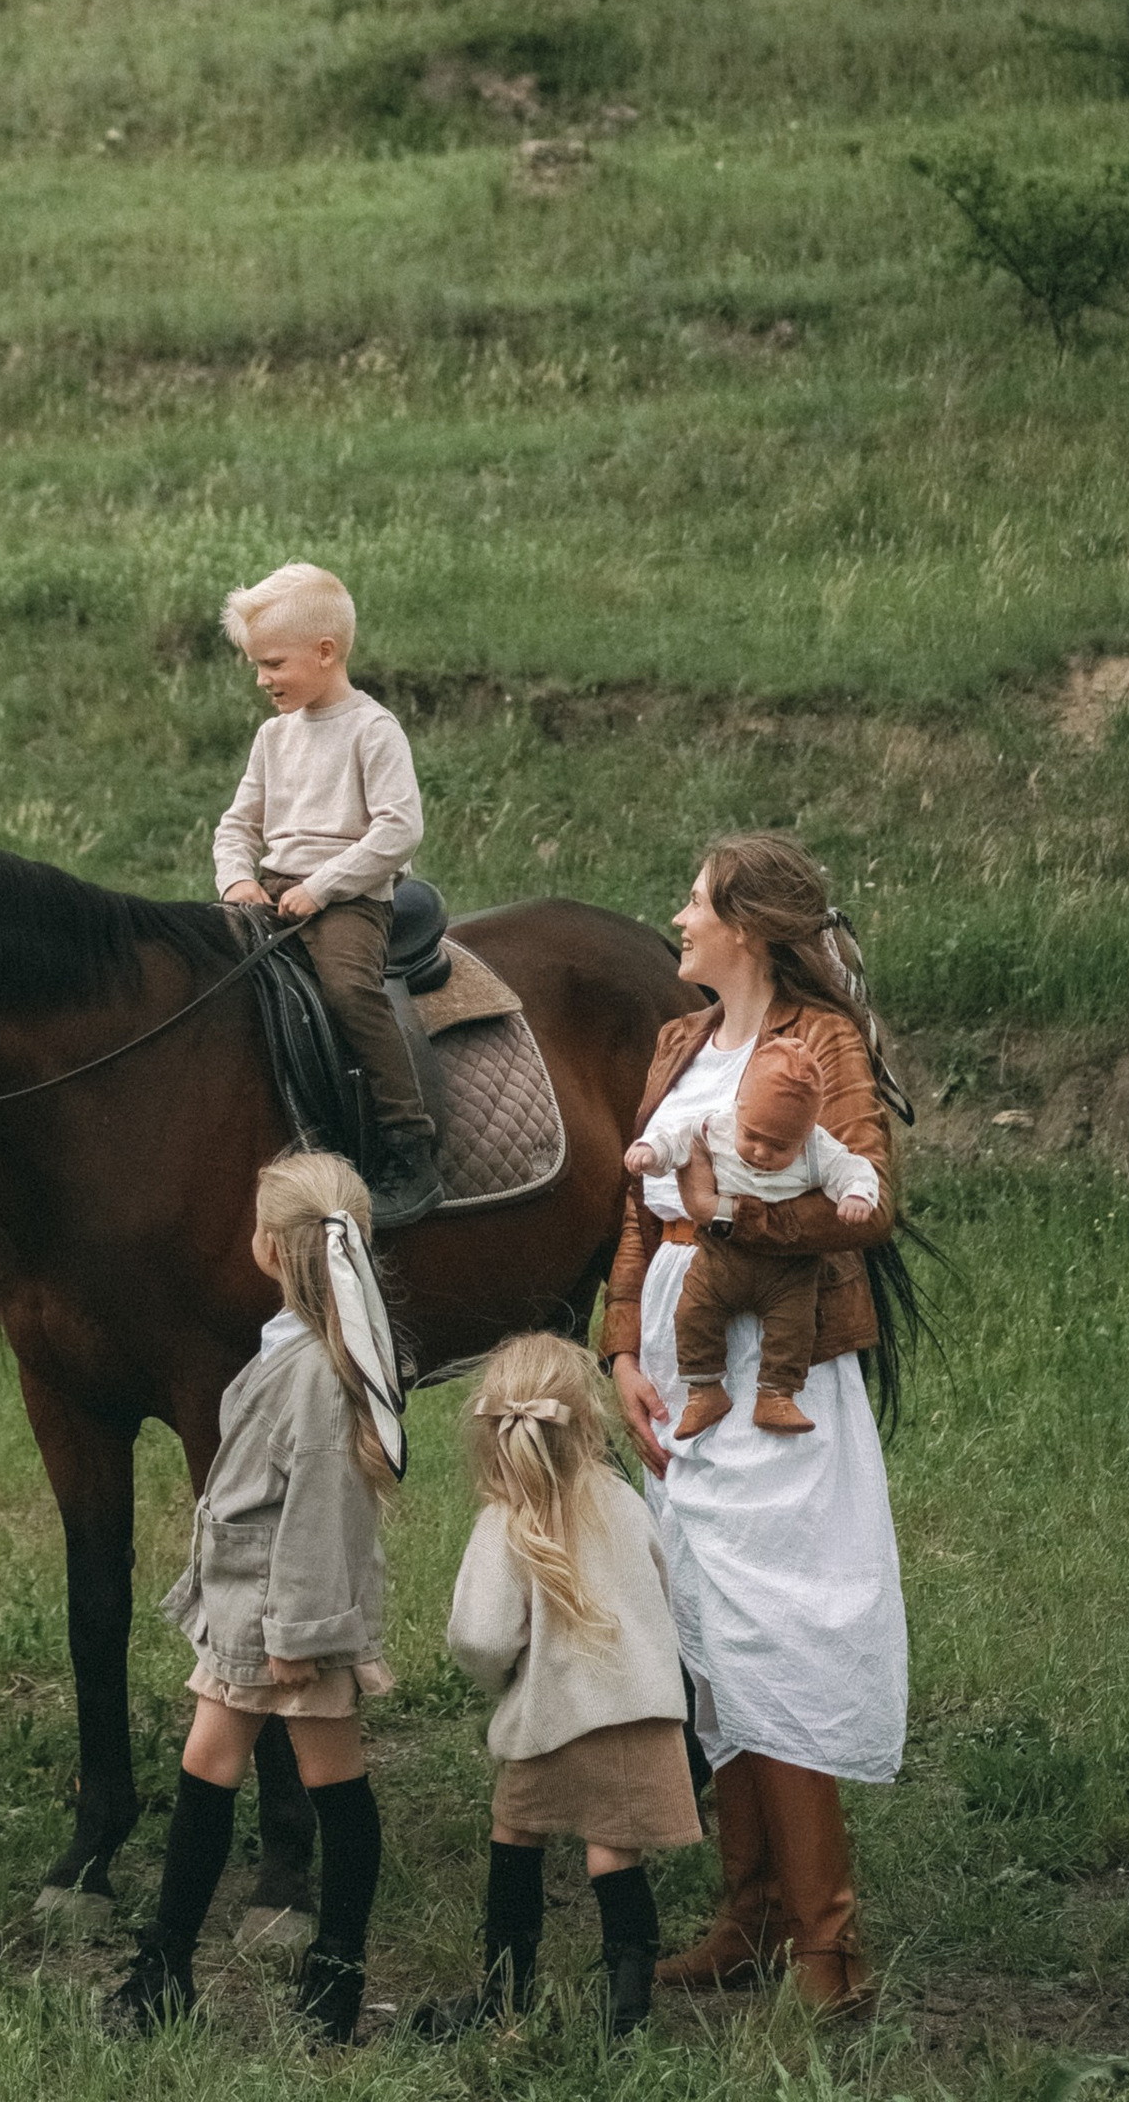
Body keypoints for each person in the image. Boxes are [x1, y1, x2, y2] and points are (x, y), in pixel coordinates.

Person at [606, 833, 912, 2016]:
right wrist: (620, 1349)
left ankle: (829, 1950)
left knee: (776, 1628)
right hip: (679, 1368)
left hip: (777, 1369)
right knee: (707, 1631)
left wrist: (737, 1223)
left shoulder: (819, 1042)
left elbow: (867, 1203)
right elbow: (635, 1216)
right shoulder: (677, 1042)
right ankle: (752, 1918)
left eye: (694, 902)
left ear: (744, 926)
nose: (678, 918)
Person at [107, 1150, 407, 2049]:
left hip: (281, 1615)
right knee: (233, 1766)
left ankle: (321, 1975)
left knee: (321, 1779)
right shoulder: (301, 1345)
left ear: (272, 1246)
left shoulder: (315, 1369)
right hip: (252, 1602)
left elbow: (319, 1503)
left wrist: (297, 1635)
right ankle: (177, 1967)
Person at [418, 1331, 700, 2040]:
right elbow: (665, 1591)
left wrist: (503, 1681)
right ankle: (626, 2014)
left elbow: (480, 1637)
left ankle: (505, 1993)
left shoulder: (505, 1523)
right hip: (640, 1712)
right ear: (587, 1420)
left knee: (516, 1831)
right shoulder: (622, 1502)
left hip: (549, 1716)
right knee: (613, 1849)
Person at [214, 564, 440, 1227]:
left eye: (273, 664)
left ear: (325, 652)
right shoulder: (273, 736)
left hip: (350, 898)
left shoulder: (372, 729)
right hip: (269, 892)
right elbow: (238, 825)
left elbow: (399, 829)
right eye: (256, 666)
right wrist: (237, 879)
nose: (262, 679)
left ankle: (409, 1143)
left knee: (348, 991)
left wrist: (322, 886)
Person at [628, 1044, 881, 1435]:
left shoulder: (817, 1150)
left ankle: (777, 1395)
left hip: (788, 1267)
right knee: (693, 1313)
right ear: (739, 1109)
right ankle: (704, 1391)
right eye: (752, 1137)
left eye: (780, 1146)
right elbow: (677, 1139)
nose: (761, 1152)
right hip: (721, 1256)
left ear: (806, 1133)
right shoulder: (718, 1127)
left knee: (794, 1328)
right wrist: (651, 1152)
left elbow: (854, 1168)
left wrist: (856, 1194)